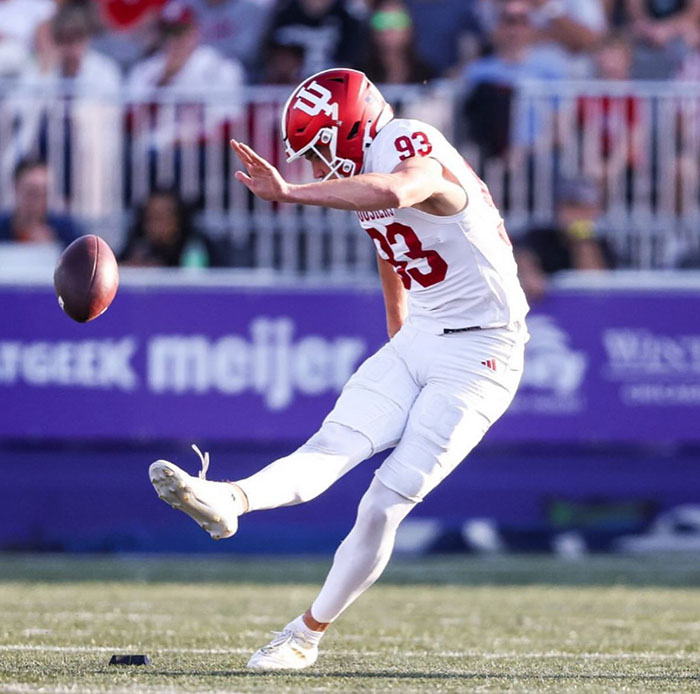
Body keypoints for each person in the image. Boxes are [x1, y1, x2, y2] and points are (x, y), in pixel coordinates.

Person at [149, 67, 529, 670]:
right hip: (425, 336)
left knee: (382, 504)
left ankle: (305, 636)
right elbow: (391, 247)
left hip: (482, 351)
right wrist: (399, 330)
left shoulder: (409, 138)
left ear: (351, 126)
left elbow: (399, 194)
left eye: (322, 146)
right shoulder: (367, 171)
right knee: (331, 445)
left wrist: (292, 193)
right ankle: (228, 500)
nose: (321, 162)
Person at [515, 176, 615, 301]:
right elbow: (521, 255)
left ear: (595, 211)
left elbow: (593, 282)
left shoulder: (602, 245)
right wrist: (528, 272)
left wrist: (581, 238)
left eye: (585, 208)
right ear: (558, 209)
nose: (577, 214)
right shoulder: (538, 236)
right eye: (572, 207)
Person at [119, 188, 214, 267]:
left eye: (161, 217)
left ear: (178, 219)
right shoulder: (137, 245)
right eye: (150, 217)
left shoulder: (195, 246)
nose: (154, 223)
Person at [0, 158, 82, 245]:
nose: (39, 201)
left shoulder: (65, 230)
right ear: (16, 188)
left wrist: (54, 246)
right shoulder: (3, 228)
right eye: (32, 192)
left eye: (45, 193)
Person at [361, 0, 435, 85]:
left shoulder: (427, 74)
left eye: (398, 21)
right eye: (381, 21)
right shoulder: (359, 75)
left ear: (410, 28)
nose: (389, 29)